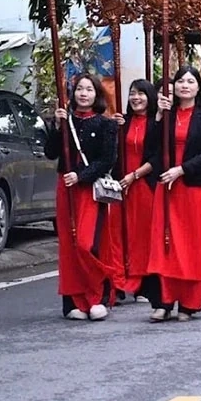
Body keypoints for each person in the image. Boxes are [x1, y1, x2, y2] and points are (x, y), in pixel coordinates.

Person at [144, 67, 201, 322]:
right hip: (166, 186)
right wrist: (157, 116)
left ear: (198, 87)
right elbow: (150, 147)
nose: (184, 85)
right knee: (165, 244)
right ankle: (164, 300)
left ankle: (189, 302)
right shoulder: (166, 115)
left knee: (191, 245)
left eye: (190, 81)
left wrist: (182, 170)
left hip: (192, 186)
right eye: (180, 81)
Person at [47, 74, 118, 321]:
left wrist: (80, 175)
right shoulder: (64, 121)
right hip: (65, 189)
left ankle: (98, 295)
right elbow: (50, 153)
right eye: (79, 89)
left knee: (87, 244)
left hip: (89, 189)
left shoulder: (106, 124)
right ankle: (72, 301)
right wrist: (56, 128)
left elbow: (107, 160)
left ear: (97, 94)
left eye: (89, 89)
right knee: (69, 246)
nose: (84, 93)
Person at [109, 80, 160, 303]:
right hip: (120, 186)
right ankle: (118, 283)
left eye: (141, 94)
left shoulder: (155, 124)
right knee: (118, 235)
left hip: (143, 185)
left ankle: (143, 284)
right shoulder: (123, 122)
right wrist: (113, 128)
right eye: (132, 94)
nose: (136, 98)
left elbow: (157, 158)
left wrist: (135, 175)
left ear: (150, 97)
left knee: (142, 236)